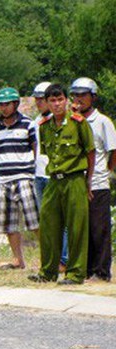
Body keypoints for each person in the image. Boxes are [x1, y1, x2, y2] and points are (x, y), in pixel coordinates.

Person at [29, 84, 95, 285]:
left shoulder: (78, 123)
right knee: (48, 225)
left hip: (74, 178)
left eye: (60, 100)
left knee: (76, 227)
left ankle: (75, 274)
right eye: (52, 101)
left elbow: (90, 153)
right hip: (53, 180)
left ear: (66, 100)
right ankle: (48, 271)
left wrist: (88, 182)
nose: (57, 104)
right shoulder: (44, 126)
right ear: (47, 103)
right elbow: (47, 155)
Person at [70, 77, 116, 282]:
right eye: (76, 95)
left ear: (93, 97)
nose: (79, 99)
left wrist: (104, 171)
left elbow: (112, 150)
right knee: (81, 229)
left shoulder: (102, 121)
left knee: (99, 228)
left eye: (83, 95)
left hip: (97, 182)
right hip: (77, 182)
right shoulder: (72, 121)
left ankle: (101, 271)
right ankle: (85, 269)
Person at [0, 87, 39, 270]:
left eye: (6, 104)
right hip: (3, 178)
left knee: (34, 220)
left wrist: (34, 170)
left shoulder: (28, 123)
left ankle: (49, 257)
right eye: (0, 104)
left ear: (15, 104)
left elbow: (35, 147)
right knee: (9, 223)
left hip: (24, 176)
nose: (3, 108)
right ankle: (18, 259)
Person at [32, 82, 69, 272]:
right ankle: (50, 261)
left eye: (41, 99)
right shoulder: (37, 123)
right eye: (37, 98)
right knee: (46, 221)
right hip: (39, 175)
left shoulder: (67, 121)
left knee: (63, 221)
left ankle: (64, 259)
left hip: (57, 175)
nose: (39, 102)